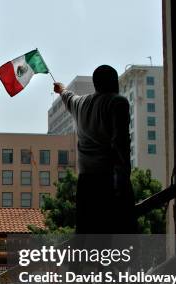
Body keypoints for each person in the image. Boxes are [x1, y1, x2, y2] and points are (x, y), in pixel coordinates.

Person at [53, 65, 137, 235]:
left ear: (95, 83)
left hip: (85, 181)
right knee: (117, 234)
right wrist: (124, 182)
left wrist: (61, 89)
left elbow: (68, 96)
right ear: (115, 82)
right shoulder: (117, 102)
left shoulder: (81, 103)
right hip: (109, 181)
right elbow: (121, 143)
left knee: (86, 235)